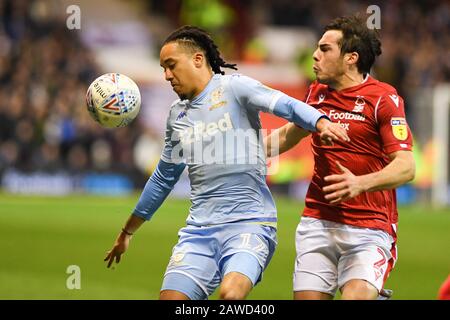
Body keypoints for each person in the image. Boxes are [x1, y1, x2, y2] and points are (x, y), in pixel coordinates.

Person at [104, 25, 348, 300]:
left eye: (171, 65)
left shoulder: (235, 88)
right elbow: (162, 179)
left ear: (197, 59)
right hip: (198, 232)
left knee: (230, 296)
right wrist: (128, 231)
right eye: (163, 68)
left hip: (250, 225)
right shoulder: (176, 117)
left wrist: (320, 122)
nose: (166, 75)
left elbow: (287, 106)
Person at [265, 15, 415, 300]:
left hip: (370, 227)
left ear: (351, 58)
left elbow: (406, 168)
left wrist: (360, 183)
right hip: (318, 222)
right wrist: (236, 154)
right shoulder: (316, 94)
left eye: (325, 49)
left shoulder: (384, 98)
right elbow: (287, 136)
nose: (314, 55)